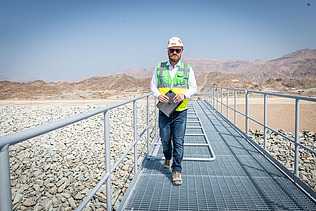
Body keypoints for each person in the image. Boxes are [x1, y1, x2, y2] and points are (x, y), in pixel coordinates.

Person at [150, 37, 197, 185]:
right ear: (168, 51)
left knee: (179, 142)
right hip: (164, 111)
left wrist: (185, 95)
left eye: (177, 50)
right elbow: (153, 86)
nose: (174, 52)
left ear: (182, 52)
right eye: (172, 50)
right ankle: (168, 157)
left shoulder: (187, 69)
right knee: (165, 140)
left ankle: (177, 170)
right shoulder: (159, 68)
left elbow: (194, 88)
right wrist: (158, 95)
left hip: (180, 112)